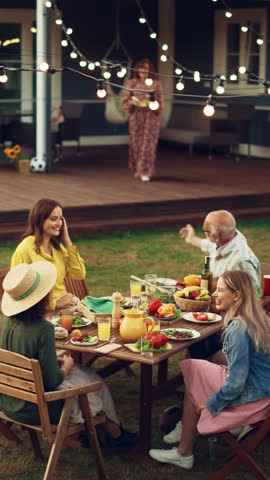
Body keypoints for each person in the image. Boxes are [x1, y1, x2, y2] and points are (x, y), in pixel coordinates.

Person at [0, 262, 137, 451]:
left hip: (10, 402)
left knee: (84, 375)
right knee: (94, 381)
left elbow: (23, 359)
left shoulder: (7, 323)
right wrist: (67, 365)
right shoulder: (43, 329)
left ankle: (109, 433)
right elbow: (52, 381)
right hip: (40, 409)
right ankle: (115, 436)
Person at [149, 270, 270, 469]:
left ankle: (184, 449)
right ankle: (186, 431)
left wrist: (212, 402)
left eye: (220, 290)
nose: (214, 294)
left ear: (237, 295)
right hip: (263, 390)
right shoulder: (257, 318)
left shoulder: (238, 328)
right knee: (197, 371)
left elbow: (237, 383)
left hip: (253, 398)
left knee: (195, 373)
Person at [10, 198, 86, 312]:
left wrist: (67, 240)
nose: (59, 223)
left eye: (61, 219)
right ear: (39, 220)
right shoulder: (24, 250)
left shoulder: (57, 247)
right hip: (39, 314)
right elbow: (19, 296)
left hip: (64, 310)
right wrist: (55, 303)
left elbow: (79, 274)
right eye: (53, 219)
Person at [179, 210, 261, 293]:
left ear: (216, 237)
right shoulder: (227, 239)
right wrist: (191, 239)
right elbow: (209, 245)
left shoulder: (241, 261)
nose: (203, 231)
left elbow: (255, 294)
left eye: (205, 231)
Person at [121, 58, 164, 182]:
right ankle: (137, 168)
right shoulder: (132, 83)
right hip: (136, 117)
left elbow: (160, 102)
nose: (143, 73)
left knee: (148, 144)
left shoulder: (156, 84)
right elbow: (125, 100)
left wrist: (152, 103)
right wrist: (132, 102)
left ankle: (145, 171)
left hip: (151, 118)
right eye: (141, 71)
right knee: (136, 143)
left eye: (146, 71)